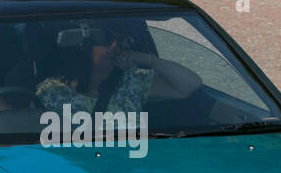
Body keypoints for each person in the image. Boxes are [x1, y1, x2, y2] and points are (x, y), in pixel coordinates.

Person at [36, 30, 201, 116]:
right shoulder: (53, 90)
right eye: (107, 41)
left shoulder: (132, 83)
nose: (115, 47)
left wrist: (151, 61)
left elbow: (189, 85)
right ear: (85, 49)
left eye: (119, 41)